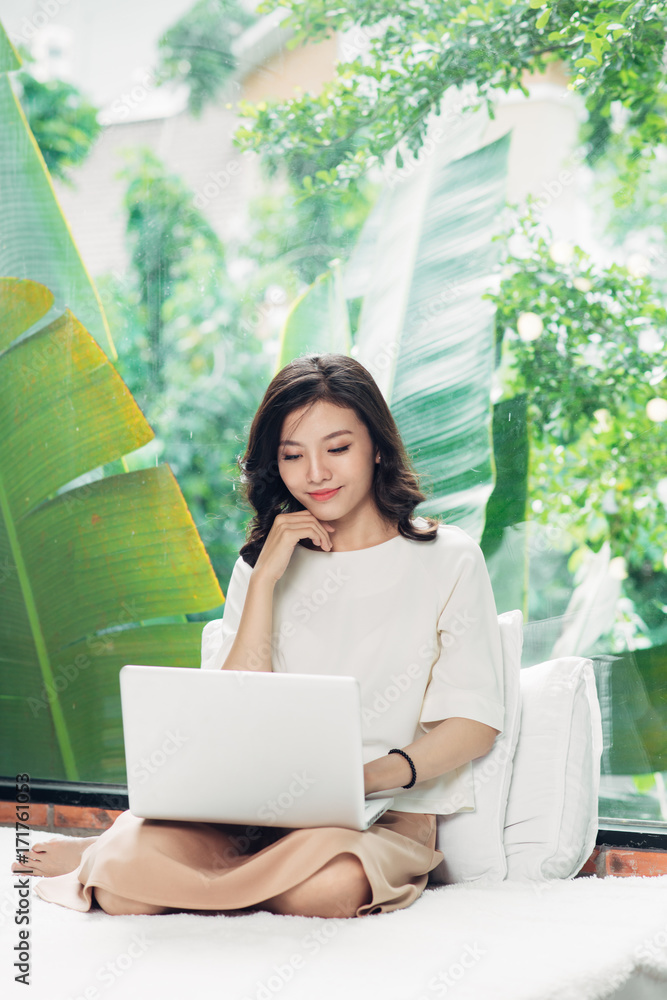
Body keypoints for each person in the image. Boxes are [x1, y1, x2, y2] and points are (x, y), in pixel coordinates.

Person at [12, 352, 504, 919]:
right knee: (122, 886)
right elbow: (232, 709)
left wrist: (359, 779)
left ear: (376, 446)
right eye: (292, 456)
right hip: (248, 811)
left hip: (380, 811)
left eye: (337, 449)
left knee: (329, 891)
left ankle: (144, 863)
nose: (315, 473)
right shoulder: (262, 564)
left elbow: (473, 724)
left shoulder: (448, 559)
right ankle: (125, 855)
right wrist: (266, 578)